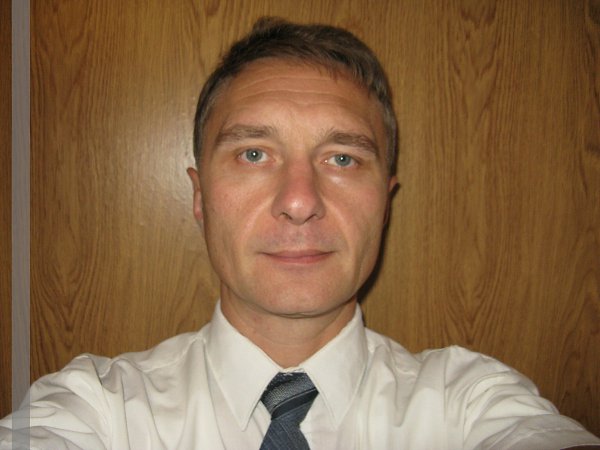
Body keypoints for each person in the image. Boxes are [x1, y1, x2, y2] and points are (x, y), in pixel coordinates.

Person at [1, 17, 599, 450]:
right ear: (200, 197)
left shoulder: (469, 402)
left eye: (342, 159)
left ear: (385, 203)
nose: (298, 202)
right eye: (253, 153)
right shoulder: (98, 407)